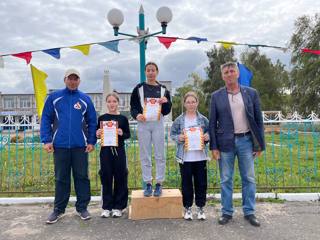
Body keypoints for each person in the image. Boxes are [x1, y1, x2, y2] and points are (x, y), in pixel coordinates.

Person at [209, 62, 265, 227]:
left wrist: (260, 144)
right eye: (225, 72)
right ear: (222, 76)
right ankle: (226, 212)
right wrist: (213, 146)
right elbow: (212, 123)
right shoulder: (216, 96)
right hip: (224, 143)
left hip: (246, 141)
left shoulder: (251, 93)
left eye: (232, 71)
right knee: (226, 179)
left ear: (238, 73)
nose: (229, 74)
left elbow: (258, 120)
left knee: (249, 178)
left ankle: (249, 211)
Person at [40, 69, 97, 224]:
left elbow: (92, 121)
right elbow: (45, 118)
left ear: (79, 81)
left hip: (80, 146)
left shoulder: (85, 99)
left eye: (75, 78)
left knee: (82, 177)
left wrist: (91, 141)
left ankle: (82, 208)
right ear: (64, 79)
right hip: (60, 146)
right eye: (70, 78)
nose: (72, 81)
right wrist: (46, 140)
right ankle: (58, 210)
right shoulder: (54, 97)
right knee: (61, 179)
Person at [130, 62, 172, 197]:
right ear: (145, 72)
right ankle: (148, 183)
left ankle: (159, 183)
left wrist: (166, 102)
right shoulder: (139, 88)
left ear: (157, 72)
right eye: (148, 70)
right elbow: (133, 106)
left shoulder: (163, 89)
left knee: (160, 154)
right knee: (145, 154)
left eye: (153, 70)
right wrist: (137, 115)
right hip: (143, 123)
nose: (151, 72)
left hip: (158, 122)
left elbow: (167, 110)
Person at [170, 91, 210, 221]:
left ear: (197, 103)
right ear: (184, 103)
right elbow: (172, 134)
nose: (191, 104)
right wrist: (179, 137)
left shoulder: (204, 120)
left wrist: (207, 137)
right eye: (188, 102)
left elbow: (210, 134)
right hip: (185, 157)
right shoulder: (179, 120)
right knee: (186, 183)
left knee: (201, 183)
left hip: (200, 157)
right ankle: (187, 208)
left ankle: (200, 208)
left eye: (193, 102)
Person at [96, 92, 130, 218]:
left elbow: (128, 135)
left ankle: (118, 206)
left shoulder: (123, 119)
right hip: (105, 152)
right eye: (109, 101)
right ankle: (106, 207)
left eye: (114, 101)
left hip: (119, 151)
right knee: (106, 178)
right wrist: (98, 133)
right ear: (106, 103)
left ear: (118, 103)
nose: (112, 104)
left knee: (120, 178)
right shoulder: (102, 118)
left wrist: (121, 132)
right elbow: (96, 133)